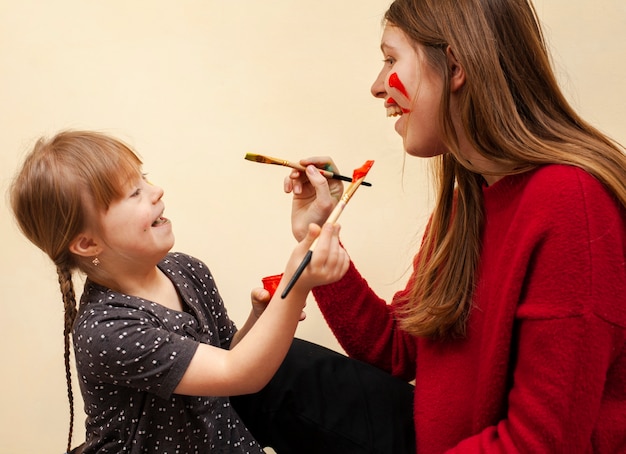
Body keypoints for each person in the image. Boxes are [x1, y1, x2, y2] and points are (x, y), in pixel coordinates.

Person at [283, 0, 626, 452]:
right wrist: (320, 234)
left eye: (390, 59)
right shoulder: (467, 203)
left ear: (455, 66)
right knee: (277, 374)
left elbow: (541, 442)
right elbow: (397, 349)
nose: (375, 87)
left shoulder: (569, 203)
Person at [10, 130, 352, 453]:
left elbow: (225, 356)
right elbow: (238, 373)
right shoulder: (108, 330)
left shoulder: (187, 270)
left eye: (145, 178)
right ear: (88, 243)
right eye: (134, 192)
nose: (156, 190)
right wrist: (296, 288)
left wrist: (259, 320)